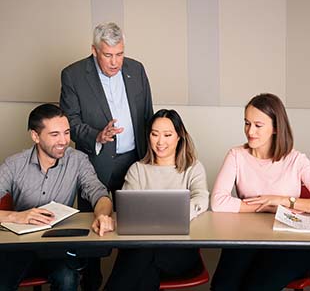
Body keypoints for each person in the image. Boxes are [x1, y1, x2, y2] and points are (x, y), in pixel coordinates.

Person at [60, 22, 153, 289]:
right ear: (94, 51)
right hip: (94, 164)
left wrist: (150, 160)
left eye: (120, 54)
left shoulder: (136, 69)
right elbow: (71, 122)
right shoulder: (73, 75)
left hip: (134, 163)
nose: (115, 62)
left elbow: (147, 114)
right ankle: (92, 282)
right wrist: (97, 136)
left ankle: (128, 281)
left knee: (134, 230)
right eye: (108, 55)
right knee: (93, 233)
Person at [0, 104, 114, 291]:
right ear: (35, 136)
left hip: (57, 246)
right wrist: (16, 216)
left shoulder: (77, 160)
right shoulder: (14, 164)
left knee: (68, 279)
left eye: (67, 133)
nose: (64, 141)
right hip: (19, 247)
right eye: (55, 135)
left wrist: (103, 215)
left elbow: (99, 193)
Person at [210, 93, 310, 291]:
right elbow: (218, 202)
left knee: (255, 287)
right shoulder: (236, 155)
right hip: (249, 236)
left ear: (275, 128)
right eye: (247, 123)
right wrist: (265, 206)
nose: (250, 131)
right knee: (223, 286)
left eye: (258, 125)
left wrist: (282, 201)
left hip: (291, 244)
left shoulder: (296, 160)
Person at [104, 109, 209, 291]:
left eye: (167, 135)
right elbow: (128, 209)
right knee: (146, 269)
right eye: (155, 134)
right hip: (142, 247)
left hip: (180, 251)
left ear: (179, 137)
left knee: (141, 258)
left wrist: (177, 214)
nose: (160, 142)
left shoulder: (193, 168)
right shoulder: (137, 169)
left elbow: (201, 198)